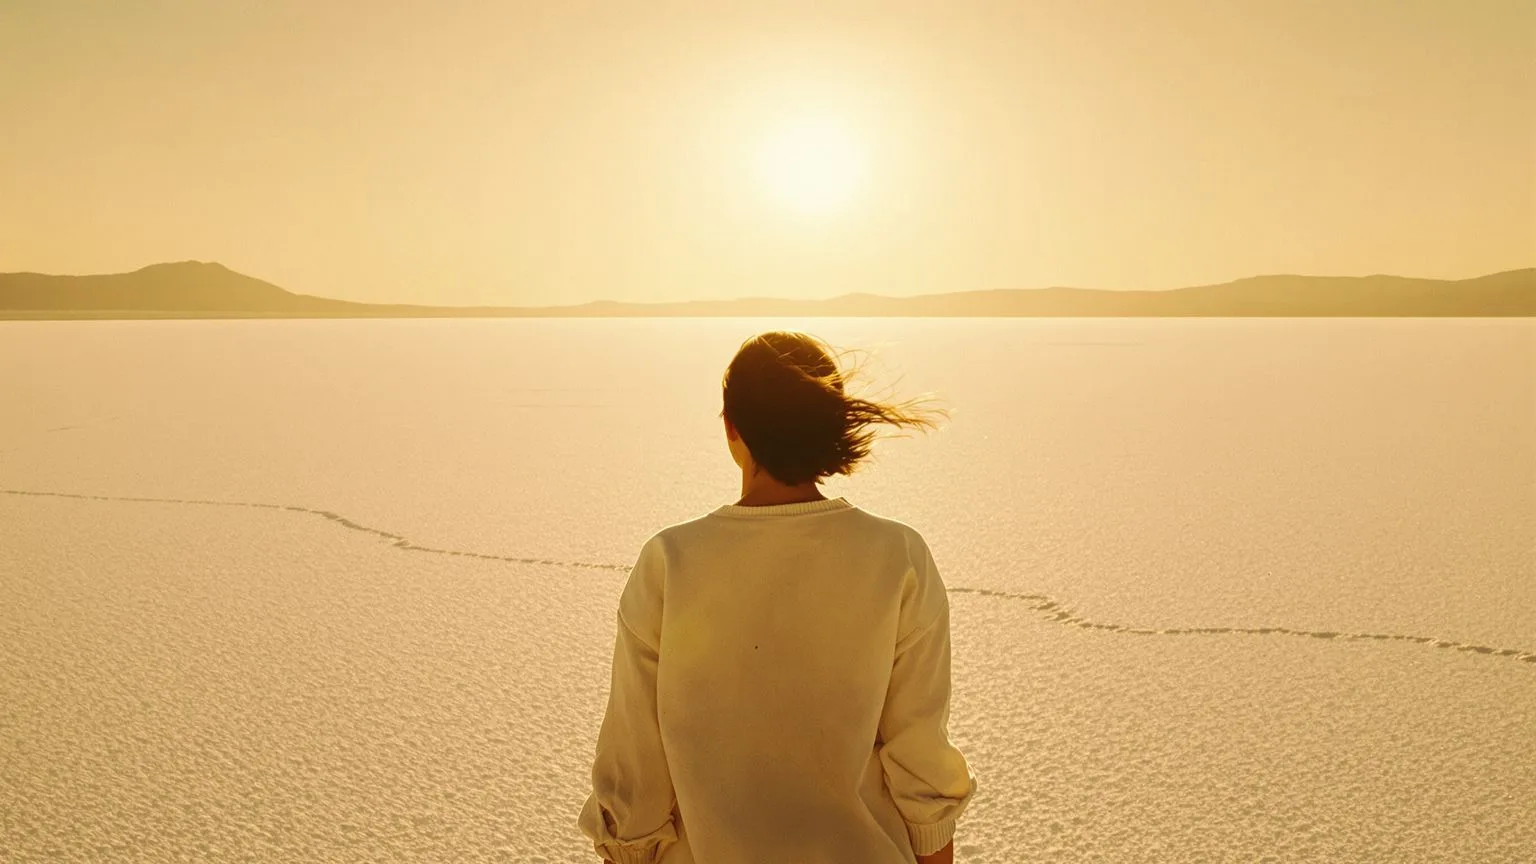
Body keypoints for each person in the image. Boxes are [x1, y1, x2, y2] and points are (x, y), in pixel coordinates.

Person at [577, 330, 977, 863]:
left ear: (731, 427)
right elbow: (920, 764)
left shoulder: (671, 561)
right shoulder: (896, 555)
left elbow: (636, 773)